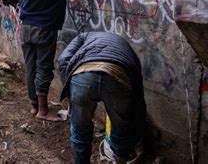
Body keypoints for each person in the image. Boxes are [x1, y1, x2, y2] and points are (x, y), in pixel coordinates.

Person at [15, 0, 92, 121]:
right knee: (43, 68)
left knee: (31, 67)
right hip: (44, 29)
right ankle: (42, 111)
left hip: (26, 28)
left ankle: (34, 106)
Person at [57, 32, 147, 164]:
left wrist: (70, 91)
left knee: (80, 130)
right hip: (117, 76)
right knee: (121, 130)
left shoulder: (83, 36)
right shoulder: (124, 45)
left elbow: (63, 59)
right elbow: (137, 84)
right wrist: (136, 115)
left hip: (83, 76)